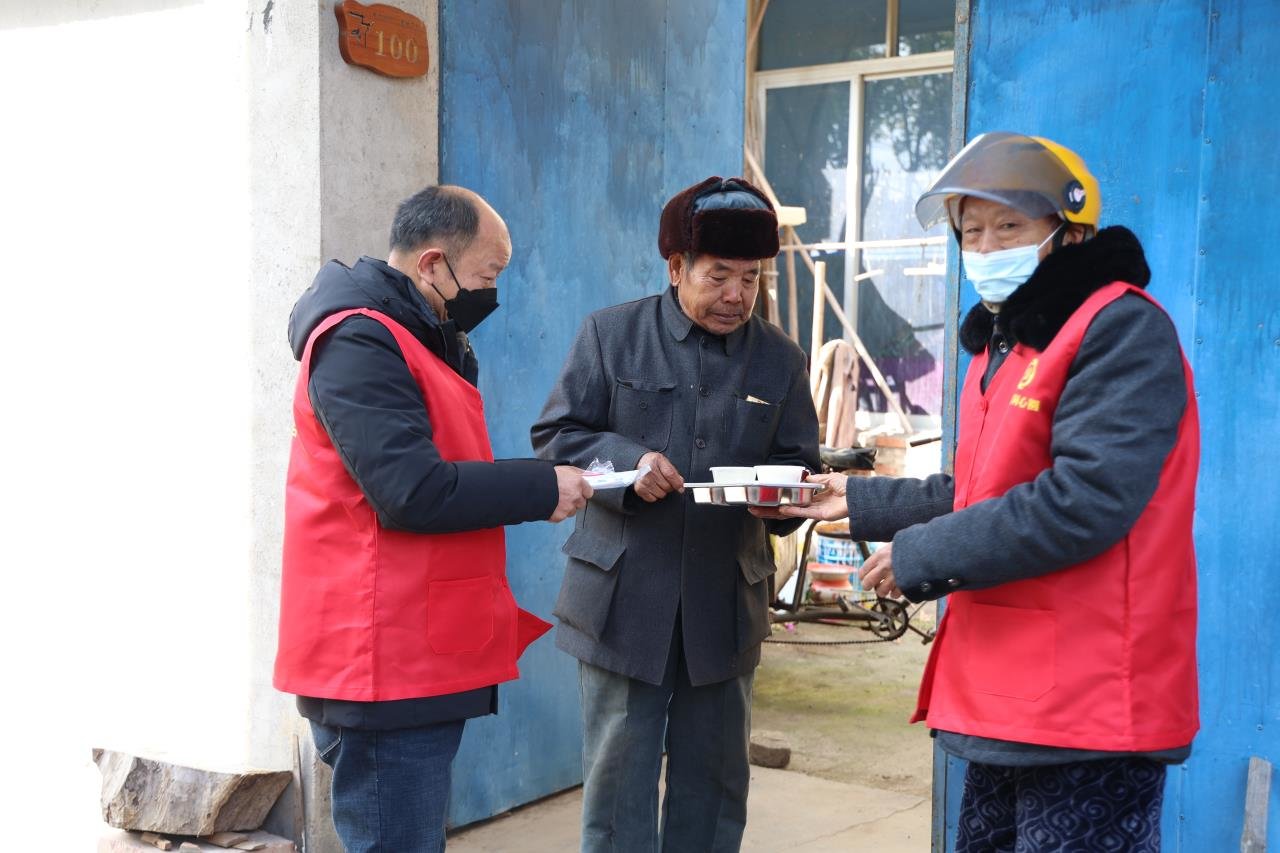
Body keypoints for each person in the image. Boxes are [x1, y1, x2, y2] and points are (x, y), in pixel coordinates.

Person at [756, 132, 1199, 853]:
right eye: (972, 231)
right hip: (1014, 694)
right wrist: (858, 498)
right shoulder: (1010, 345)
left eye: (1009, 226)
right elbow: (985, 490)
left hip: (1089, 703)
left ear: (1069, 232)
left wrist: (919, 553)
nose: (987, 246)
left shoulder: (1119, 329)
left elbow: (1081, 501)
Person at [274, 185, 594, 852]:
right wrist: (541, 487)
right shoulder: (359, 341)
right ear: (431, 264)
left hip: (412, 648)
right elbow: (411, 490)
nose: (493, 290)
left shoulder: (417, 337)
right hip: (378, 660)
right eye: (488, 273)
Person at [532, 176, 820, 852]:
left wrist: (782, 498)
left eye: (749, 279)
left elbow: (800, 467)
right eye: (719, 276)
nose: (736, 296)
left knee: (715, 790)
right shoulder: (612, 336)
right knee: (617, 789)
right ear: (676, 267)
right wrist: (629, 464)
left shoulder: (779, 358)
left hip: (725, 605)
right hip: (623, 601)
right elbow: (558, 438)